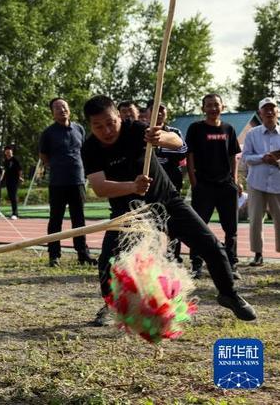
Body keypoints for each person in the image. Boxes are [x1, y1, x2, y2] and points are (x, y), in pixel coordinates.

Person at [80, 95, 256, 326]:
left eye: (111, 122)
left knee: (211, 246)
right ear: (90, 126)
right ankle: (111, 306)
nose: (107, 130)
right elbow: (100, 188)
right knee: (108, 262)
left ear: (119, 117)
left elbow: (179, 144)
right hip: (130, 214)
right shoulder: (91, 148)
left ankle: (229, 294)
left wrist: (161, 137)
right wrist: (132, 186)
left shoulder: (137, 130)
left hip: (167, 203)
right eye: (98, 126)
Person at [186, 94, 241, 279]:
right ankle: (196, 264)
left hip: (226, 187)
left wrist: (234, 180)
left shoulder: (229, 129)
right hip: (204, 187)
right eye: (209, 105)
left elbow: (234, 156)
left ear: (222, 107)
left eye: (216, 105)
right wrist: (194, 182)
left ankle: (232, 264)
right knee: (198, 227)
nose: (213, 108)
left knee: (231, 229)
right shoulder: (196, 128)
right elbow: (190, 155)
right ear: (203, 109)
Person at [39, 98, 96, 266]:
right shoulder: (48, 133)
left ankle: (82, 254)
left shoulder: (79, 129)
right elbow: (43, 155)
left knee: (79, 219)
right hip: (58, 182)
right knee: (55, 219)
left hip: (77, 180)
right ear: (52, 113)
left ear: (69, 109)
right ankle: (54, 255)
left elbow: (84, 151)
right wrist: (56, 166)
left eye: (64, 106)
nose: (62, 109)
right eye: (57, 108)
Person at [148, 101, 188, 262]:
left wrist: (159, 148)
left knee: (173, 221)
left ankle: (174, 256)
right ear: (148, 113)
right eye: (155, 110)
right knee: (153, 221)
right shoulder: (144, 131)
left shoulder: (174, 131)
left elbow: (182, 151)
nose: (159, 114)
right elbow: (147, 157)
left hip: (172, 182)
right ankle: (153, 257)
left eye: (162, 110)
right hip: (151, 183)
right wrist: (166, 150)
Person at [243, 97, 280, 267]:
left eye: (273, 108)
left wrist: (277, 162)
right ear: (260, 113)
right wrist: (263, 158)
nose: (270, 112)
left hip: (278, 183)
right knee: (256, 219)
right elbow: (246, 158)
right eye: (266, 109)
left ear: (277, 111)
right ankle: (258, 254)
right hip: (256, 183)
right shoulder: (252, 134)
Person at [2, 145, 23, 219]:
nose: (8, 153)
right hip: (8, 180)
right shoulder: (5, 161)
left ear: (12, 152)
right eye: (7, 152)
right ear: (5, 152)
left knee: (13, 196)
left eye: (9, 151)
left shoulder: (15, 159)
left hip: (15, 180)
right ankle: (13, 212)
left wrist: (20, 177)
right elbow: (5, 170)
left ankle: (15, 213)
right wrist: (2, 179)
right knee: (10, 196)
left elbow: (20, 169)